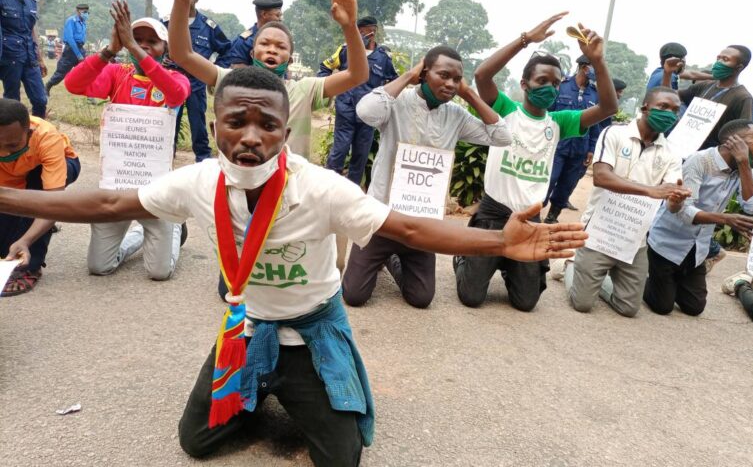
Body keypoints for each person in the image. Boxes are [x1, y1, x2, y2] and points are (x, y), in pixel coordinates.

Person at [0, 66, 587, 465]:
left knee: (342, 456)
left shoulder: (322, 188)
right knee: (197, 441)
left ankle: (288, 390)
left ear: (286, 131)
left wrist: (498, 243)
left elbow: (407, 227)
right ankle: (261, 389)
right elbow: (106, 201)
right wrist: (6, 196)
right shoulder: (199, 181)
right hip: (246, 328)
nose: (250, 136)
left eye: (267, 124)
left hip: (311, 330)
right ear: (214, 126)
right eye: (236, 122)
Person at [453, 16, 619, 312]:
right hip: (493, 214)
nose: (550, 88)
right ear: (525, 84)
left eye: (555, 83)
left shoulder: (560, 122)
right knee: (471, 297)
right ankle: (465, 255)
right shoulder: (505, 109)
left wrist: (598, 62)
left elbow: (608, 107)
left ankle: (507, 264)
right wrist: (525, 39)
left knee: (526, 303)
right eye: (542, 81)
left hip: (530, 220)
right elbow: (482, 75)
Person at [341, 45, 513, 309]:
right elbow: (366, 111)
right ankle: (382, 255)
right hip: (382, 217)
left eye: (457, 79)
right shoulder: (397, 103)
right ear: (424, 72)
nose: (451, 84)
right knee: (353, 295)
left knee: (421, 298)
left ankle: (392, 259)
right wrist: (408, 76)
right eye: (443, 75)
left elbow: (502, 136)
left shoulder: (456, 116)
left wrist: (468, 94)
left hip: (423, 222)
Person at [168, 0, 368, 161]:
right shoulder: (231, 82)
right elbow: (182, 55)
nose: (272, 49)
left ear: (290, 59)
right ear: (253, 52)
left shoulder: (305, 90)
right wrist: (181, 2)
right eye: (265, 44)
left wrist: (350, 26)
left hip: (290, 188)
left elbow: (357, 75)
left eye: (281, 47)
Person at [64, 1, 190, 280]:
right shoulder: (115, 74)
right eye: (137, 39)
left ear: (165, 49)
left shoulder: (176, 78)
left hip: (157, 188)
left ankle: (174, 227)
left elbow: (176, 95)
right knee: (99, 267)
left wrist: (132, 46)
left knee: (159, 272)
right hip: (118, 187)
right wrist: (110, 50)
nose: (144, 46)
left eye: (152, 42)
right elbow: (74, 85)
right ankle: (137, 236)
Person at [566, 87, 690, 317]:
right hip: (600, 230)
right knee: (582, 304)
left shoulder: (672, 153)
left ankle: (593, 278)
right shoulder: (614, 133)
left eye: (674, 110)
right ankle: (571, 266)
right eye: (663, 107)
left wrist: (676, 200)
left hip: (635, 237)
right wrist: (651, 191)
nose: (669, 114)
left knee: (629, 309)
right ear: (645, 108)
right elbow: (602, 177)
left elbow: (671, 203)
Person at [644, 120, 753, 316]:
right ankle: (641, 275)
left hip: (697, 249)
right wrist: (725, 219)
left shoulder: (745, 168)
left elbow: (752, 207)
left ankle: (669, 281)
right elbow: (684, 211)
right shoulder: (699, 161)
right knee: (662, 306)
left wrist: (744, 164)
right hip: (667, 244)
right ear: (732, 142)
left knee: (694, 307)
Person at [662, 45, 753, 273]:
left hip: (710, 164)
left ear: (739, 66)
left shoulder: (742, 97)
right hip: (684, 154)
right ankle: (660, 248)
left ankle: (710, 250)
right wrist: (667, 74)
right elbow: (668, 98)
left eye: (726, 59)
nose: (719, 62)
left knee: (693, 207)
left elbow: (744, 133)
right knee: (671, 201)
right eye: (719, 57)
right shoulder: (707, 86)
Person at [0, 98, 80, 296]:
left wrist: (26, 240)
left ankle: (30, 267)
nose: (4, 150)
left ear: (29, 132)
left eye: (12, 144)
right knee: (5, 248)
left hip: (55, 168)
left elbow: (53, 203)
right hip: (12, 178)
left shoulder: (46, 137)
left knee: (36, 187)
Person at [319, 15, 398, 186]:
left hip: (368, 115)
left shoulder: (383, 57)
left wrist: (386, 106)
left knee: (360, 156)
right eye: (358, 32)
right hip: (345, 109)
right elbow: (325, 67)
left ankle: (352, 193)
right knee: (339, 150)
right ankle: (326, 187)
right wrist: (327, 90)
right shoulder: (345, 50)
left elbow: (394, 81)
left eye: (364, 32)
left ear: (373, 32)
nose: (360, 35)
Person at [161, 0, 231, 161]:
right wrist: (160, 60)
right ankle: (164, 159)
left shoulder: (208, 27)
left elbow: (227, 50)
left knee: (198, 124)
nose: (184, 1)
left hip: (196, 83)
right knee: (168, 122)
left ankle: (203, 160)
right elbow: (152, 44)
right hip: (172, 81)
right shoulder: (166, 23)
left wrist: (212, 69)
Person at [543, 54, 600, 224]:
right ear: (584, 67)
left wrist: (591, 149)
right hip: (557, 146)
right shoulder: (562, 86)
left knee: (567, 185)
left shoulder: (595, 94)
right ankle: (532, 213)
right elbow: (547, 114)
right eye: (594, 66)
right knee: (548, 180)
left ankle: (552, 217)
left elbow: (595, 124)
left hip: (579, 150)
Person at [0, 0, 48, 118]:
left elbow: (32, 30)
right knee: (12, 102)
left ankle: (36, 134)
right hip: (10, 57)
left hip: (30, 58)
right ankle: (11, 139)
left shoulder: (31, 3)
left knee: (40, 99)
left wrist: (40, 59)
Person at [222, 0, 283, 68]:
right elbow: (237, 68)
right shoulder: (244, 41)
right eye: (277, 15)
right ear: (264, 14)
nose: (280, 19)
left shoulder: (281, 39)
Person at [45, 4, 89, 95]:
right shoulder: (71, 21)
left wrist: (82, 52)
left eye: (87, 12)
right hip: (71, 50)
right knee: (61, 72)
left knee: (86, 71)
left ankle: (89, 95)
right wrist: (78, 54)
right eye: (84, 12)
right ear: (78, 11)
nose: (86, 14)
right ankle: (48, 85)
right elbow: (70, 38)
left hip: (80, 48)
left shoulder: (83, 23)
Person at [646, 42, 711, 91]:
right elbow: (668, 98)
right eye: (684, 58)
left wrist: (714, 76)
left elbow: (691, 74)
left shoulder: (658, 72)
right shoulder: (671, 78)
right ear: (679, 62)